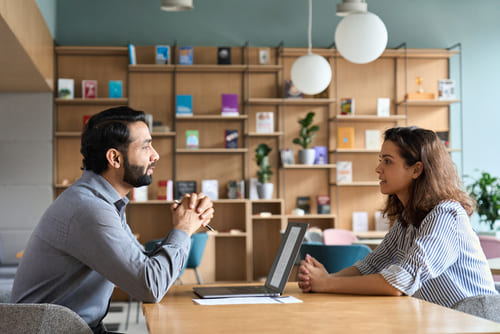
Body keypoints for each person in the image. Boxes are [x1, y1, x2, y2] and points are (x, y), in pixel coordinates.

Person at [11, 106, 214, 333]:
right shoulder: (90, 209)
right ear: (115, 158)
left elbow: (144, 267)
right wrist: (183, 229)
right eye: (146, 146)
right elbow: (150, 286)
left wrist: (182, 226)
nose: (155, 155)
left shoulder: (102, 201)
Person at [298, 126, 498, 307]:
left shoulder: (446, 215)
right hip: (442, 322)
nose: (378, 169)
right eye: (381, 161)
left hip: (476, 323)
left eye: (388, 161)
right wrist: (324, 278)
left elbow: (399, 283)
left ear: (416, 169)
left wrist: (327, 283)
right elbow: (371, 266)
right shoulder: (407, 219)